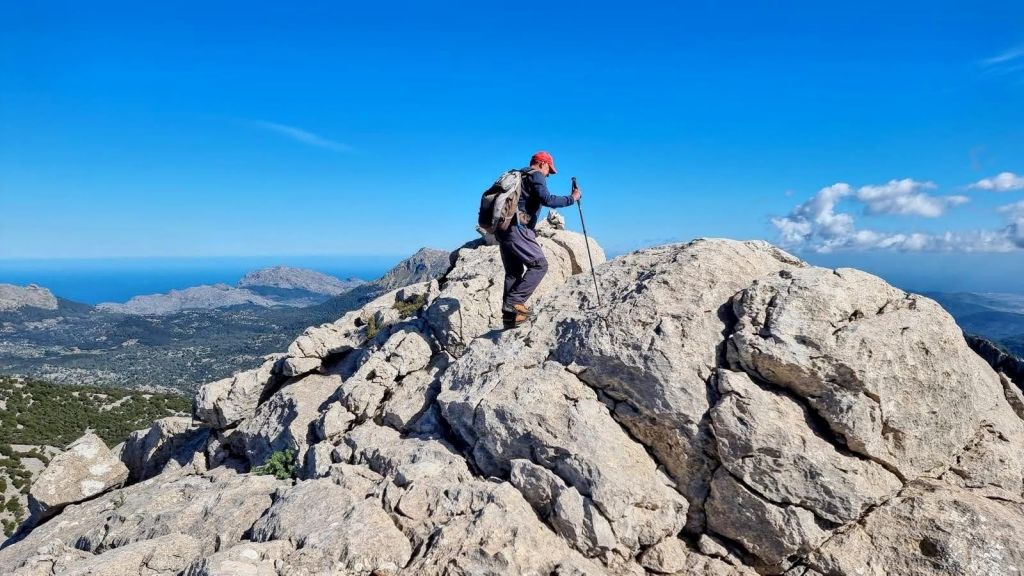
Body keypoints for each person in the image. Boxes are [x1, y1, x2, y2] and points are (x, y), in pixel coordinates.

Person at [497, 151, 582, 329]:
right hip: (519, 227)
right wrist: (572, 199)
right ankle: (514, 302)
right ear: (542, 164)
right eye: (549, 170)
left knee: (513, 272)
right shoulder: (535, 175)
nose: (549, 175)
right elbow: (547, 199)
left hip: (503, 229)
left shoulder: (519, 175)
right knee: (539, 264)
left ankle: (510, 319)